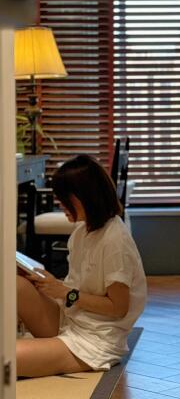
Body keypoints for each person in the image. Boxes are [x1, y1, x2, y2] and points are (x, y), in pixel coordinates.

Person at [16, 154, 147, 378]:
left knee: (7, 359)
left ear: (85, 197)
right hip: (71, 319)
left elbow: (118, 307)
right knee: (17, 285)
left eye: (64, 200)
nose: (61, 205)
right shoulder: (82, 232)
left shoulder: (115, 240)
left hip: (94, 340)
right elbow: (79, 288)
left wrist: (66, 293)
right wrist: (50, 283)